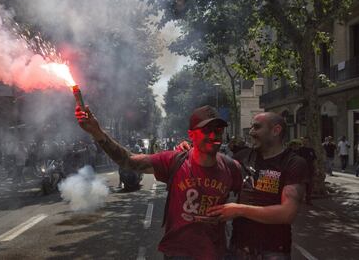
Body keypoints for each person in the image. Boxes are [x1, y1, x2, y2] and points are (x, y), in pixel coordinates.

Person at [75, 104, 242, 259]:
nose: (214, 136)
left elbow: (243, 211)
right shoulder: (174, 161)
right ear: (191, 134)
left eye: (218, 130)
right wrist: (97, 133)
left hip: (216, 254)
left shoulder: (232, 168)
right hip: (178, 254)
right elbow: (129, 160)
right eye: (206, 130)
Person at [205, 112, 307, 259]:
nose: (251, 132)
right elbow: (213, 172)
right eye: (252, 127)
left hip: (272, 252)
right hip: (237, 248)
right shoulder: (242, 157)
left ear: (275, 131)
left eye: (257, 127)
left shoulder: (293, 163)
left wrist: (239, 210)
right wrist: (187, 152)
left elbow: (287, 213)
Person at [297, 137, 317, 205]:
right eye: (304, 141)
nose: (305, 142)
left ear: (309, 142)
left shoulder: (311, 150)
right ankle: (300, 198)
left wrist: (316, 169)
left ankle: (308, 199)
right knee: (302, 184)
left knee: (310, 185)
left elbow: (314, 160)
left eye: (307, 141)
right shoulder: (300, 150)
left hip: (311, 169)